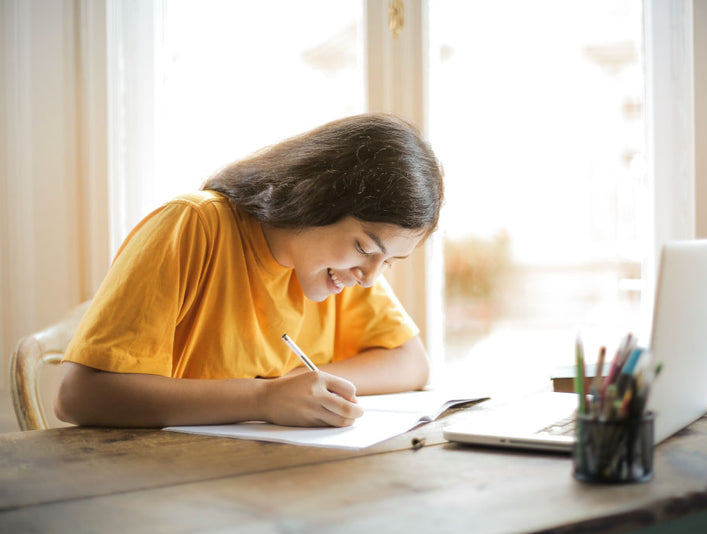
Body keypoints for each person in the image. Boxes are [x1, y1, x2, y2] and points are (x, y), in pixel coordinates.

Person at [55, 113, 444, 429]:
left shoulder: (343, 270)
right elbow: (78, 396)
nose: (370, 277)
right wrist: (263, 399)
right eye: (364, 248)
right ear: (316, 198)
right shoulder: (193, 226)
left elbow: (411, 362)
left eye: (388, 261)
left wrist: (302, 386)